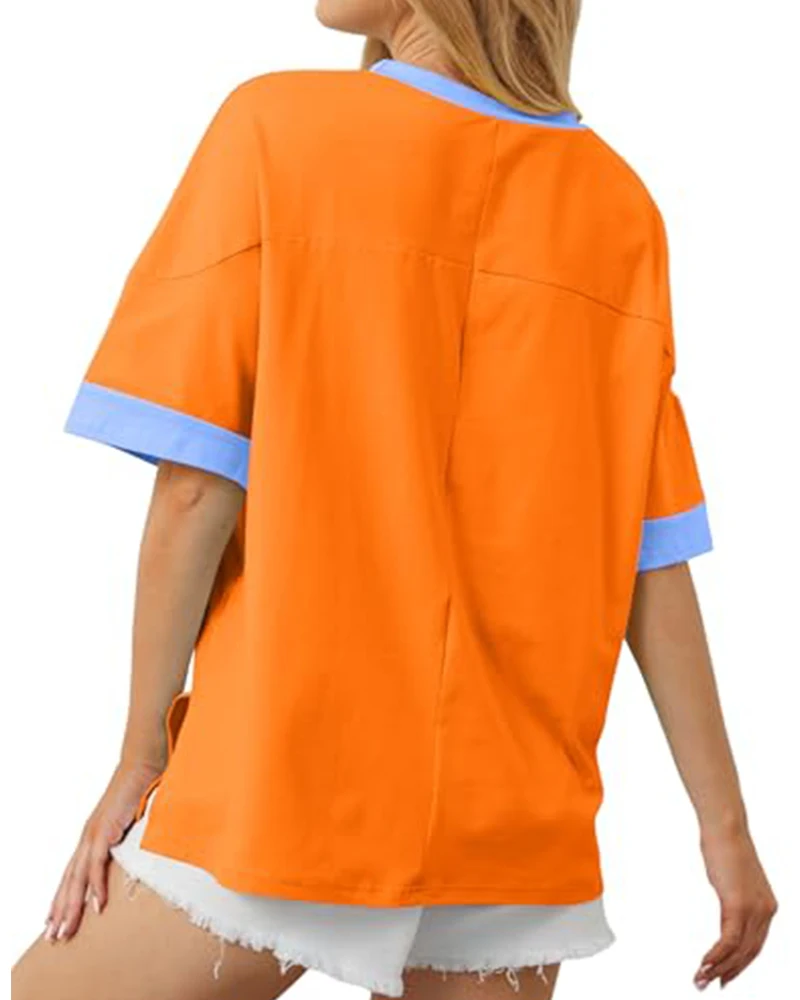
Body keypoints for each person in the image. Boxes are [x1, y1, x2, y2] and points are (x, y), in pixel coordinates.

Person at [11, 1, 778, 998]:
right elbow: (648, 555)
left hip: (290, 781)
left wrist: (139, 753)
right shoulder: (619, 208)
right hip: (514, 818)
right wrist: (725, 831)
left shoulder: (277, 130)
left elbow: (197, 490)